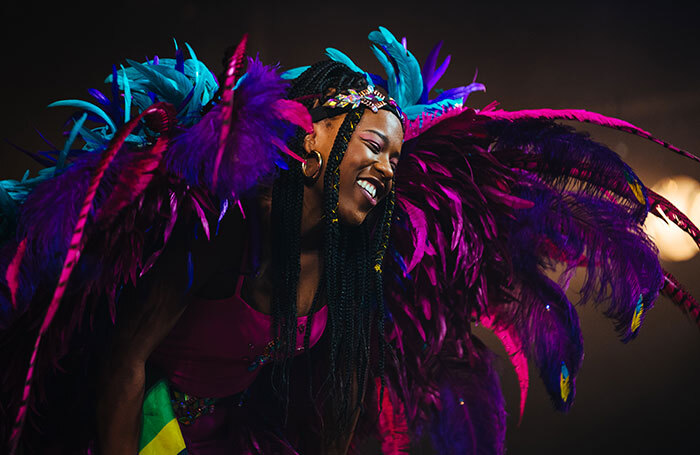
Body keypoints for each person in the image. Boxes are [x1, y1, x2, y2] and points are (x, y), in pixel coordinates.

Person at [1, 27, 698, 455]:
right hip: (125, 429)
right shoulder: (227, 230)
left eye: (395, 159)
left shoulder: (353, 271)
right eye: (374, 146)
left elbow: (332, 411)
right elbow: (126, 362)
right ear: (311, 142)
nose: (386, 171)